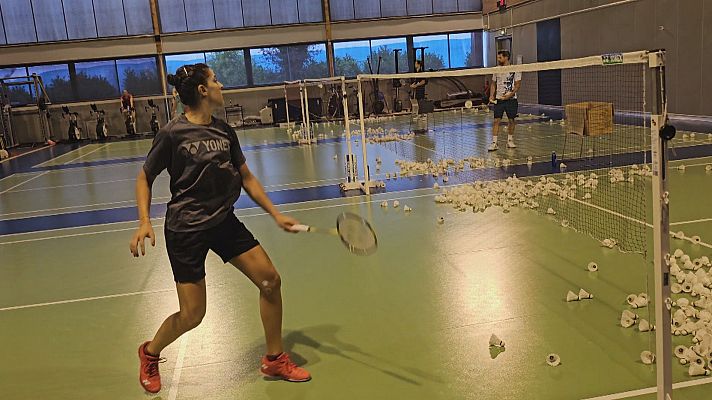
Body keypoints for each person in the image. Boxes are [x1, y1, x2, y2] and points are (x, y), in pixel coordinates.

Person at [130, 63, 311, 394]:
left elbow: (247, 177)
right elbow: (145, 177)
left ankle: (274, 358)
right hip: (186, 230)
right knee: (193, 315)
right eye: (215, 80)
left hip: (223, 221)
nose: (221, 84)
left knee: (270, 281)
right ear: (202, 90)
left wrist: (275, 214)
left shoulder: (225, 131)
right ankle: (150, 352)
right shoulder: (172, 133)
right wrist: (144, 220)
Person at [488, 50, 522, 151]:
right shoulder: (496, 69)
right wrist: (491, 96)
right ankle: (494, 143)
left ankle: (510, 141)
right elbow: (493, 83)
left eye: (500, 58)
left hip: (511, 99)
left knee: (511, 120)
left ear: (506, 57)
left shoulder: (515, 69)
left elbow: (517, 85)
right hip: (499, 99)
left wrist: (509, 95)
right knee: (496, 120)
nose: (498, 60)